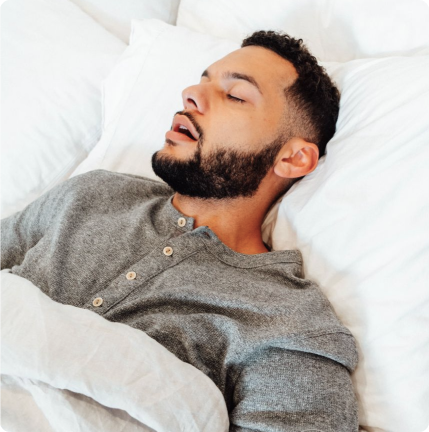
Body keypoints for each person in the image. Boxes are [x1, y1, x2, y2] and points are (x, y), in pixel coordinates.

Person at [0, 31, 359, 431]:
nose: (191, 93)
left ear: (293, 157)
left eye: (235, 95)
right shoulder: (92, 193)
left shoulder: (289, 322)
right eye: (201, 81)